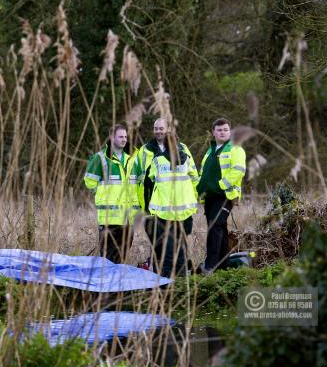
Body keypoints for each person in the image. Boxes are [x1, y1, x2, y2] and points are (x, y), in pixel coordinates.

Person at [137, 118, 199, 277]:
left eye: (161, 128)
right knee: (177, 247)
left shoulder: (158, 159)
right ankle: (181, 280)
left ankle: (165, 282)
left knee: (166, 249)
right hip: (182, 209)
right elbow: (193, 176)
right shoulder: (146, 150)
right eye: (156, 128)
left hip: (162, 210)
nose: (158, 131)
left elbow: (147, 180)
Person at [84, 124, 142, 263]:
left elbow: (140, 183)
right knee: (107, 260)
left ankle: (118, 285)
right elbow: (89, 182)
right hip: (109, 219)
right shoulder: (100, 158)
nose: (124, 140)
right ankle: (105, 285)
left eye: (125, 137)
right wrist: (102, 192)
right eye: (120, 137)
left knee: (122, 258)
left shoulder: (134, 158)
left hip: (128, 218)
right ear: (112, 138)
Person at [197, 118, 246, 274]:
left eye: (225, 129)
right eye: (219, 130)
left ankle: (210, 265)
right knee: (220, 228)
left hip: (225, 195)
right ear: (213, 132)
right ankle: (223, 266)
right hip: (210, 197)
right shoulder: (210, 151)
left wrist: (219, 185)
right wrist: (200, 189)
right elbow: (202, 174)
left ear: (229, 131)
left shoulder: (235, 149)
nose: (222, 132)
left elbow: (238, 171)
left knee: (215, 227)